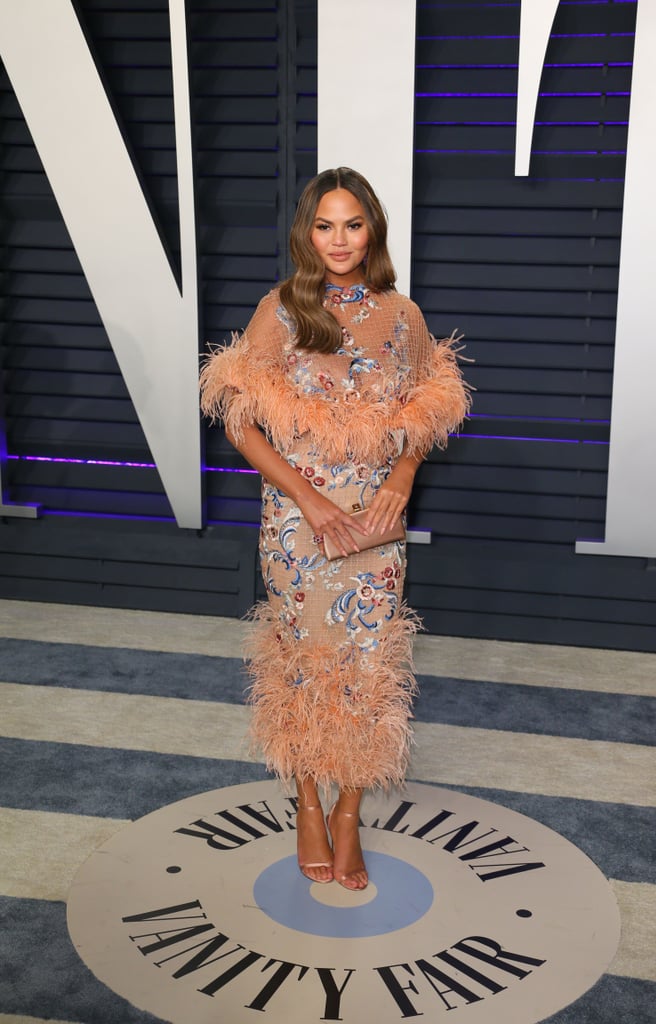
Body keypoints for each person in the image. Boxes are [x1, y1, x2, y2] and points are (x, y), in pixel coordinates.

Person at [200, 167, 469, 890]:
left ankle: (348, 813)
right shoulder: (283, 309)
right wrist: (309, 501)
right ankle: (307, 806)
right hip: (298, 522)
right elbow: (240, 421)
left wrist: (402, 476)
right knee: (304, 667)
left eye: (352, 225)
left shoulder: (402, 316)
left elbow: (428, 406)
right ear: (305, 232)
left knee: (368, 670)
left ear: (371, 230)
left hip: (377, 520)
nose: (339, 240)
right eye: (325, 225)